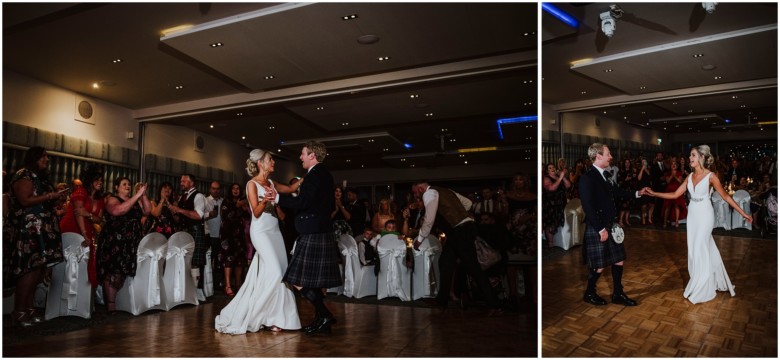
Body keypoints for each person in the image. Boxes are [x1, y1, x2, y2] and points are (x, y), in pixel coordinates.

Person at [646, 145, 752, 304]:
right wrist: (654, 193)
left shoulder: (711, 176)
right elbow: (675, 194)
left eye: (693, 155)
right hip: (693, 215)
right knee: (694, 249)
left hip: (705, 214)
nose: (690, 158)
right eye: (690, 155)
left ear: (702, 158)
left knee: (699, 248)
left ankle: (703, 287)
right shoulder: (688, 176)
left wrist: (743, 213)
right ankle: (701, 280)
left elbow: (725, 196)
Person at [215, 149, 301, 334]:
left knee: (277, 272)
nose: (274, 163)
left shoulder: (272, 182)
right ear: (261, 163)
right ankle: (257, 314)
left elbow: (292, 189)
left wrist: (306, 178)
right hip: (261, 231)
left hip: (275, 231)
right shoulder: (251, 184)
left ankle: (275, 317)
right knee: (276, 271)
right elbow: (255, 211)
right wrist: (267, 200)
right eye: (271, 160)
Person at [273, 141, 343, 335]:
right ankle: (322, 320)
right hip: (318, 231)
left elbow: (304, 201)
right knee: (308, 281)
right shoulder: (322, 174)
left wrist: (277, 198)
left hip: (314, 232)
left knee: (295, 278)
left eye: (303, 154)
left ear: (312, 155)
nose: (300, 157)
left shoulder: (315, 175)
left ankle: (324, 314)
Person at [411, 181, 502, 315]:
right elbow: (468, 204)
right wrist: (459, 215)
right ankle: (442, 301)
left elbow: (429, 219)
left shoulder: (429, 193)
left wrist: (419, 239)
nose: (415, 196)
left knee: (474, 267)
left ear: (420, 188)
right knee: (445, 263)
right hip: (462, 230)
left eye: (415, 192)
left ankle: (495, 304)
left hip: (460, 231)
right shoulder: (446, 191)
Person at [579, 143, 645, 307]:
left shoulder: (605, 175)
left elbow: (618, 191)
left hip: (611, 224)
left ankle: (617, 294)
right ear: (598, 156)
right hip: (598, 227)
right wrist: (601, 229)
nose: (611, 157)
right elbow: (588, 206)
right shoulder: (587, 178)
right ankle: (589, 293)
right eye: (608, 154)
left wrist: (637, 193)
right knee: (599, 265)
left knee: (619, 259)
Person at [8, 146, 66, 326]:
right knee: (29, 269)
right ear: (34, 158)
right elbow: (25, 200)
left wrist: (57, 199)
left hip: (44, 228)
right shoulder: (23, 175)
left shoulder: (40, 177)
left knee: (39, 269)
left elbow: (43, 199)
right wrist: (50, 196)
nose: (46, 160)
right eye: (43, 157)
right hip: (30, 229)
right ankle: (18, 311)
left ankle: (30, 309)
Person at [96, 177, 150, 313]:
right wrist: (137, 195)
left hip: (129, 244)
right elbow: (118, 211)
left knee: (123, 272)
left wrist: (143, 195)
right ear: (116, 187)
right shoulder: (112, 199)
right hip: (114, 242)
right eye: (124, 184)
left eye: (129, 184)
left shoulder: (134, 201)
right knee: (113, 272)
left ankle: (120, 302)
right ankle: (111, 305)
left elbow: (148, 211)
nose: (128, 186)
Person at [58, 165, 105, 287]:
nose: (100, 182)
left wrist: (88, 214)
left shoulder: (100, 199)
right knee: (68, 263)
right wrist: (84, 234)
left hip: (87, 230)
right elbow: (78, 213)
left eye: (101, 180)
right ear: (90, 180)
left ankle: (81, 298)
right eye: (97, 180)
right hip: (72, 228)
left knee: (84, 264)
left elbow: (99, 219)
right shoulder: (80, 192)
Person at [169, 174, 209, 301]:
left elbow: (198, 215)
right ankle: (185, 291)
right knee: (184, 262)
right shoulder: (182, 197)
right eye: (181, 181)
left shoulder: (198, 196)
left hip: (195, 231)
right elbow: (179, 218)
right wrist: (173, 210)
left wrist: (179, 210)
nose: (181, 183)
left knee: (195, 263)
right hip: (184, 232)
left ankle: (197, 292)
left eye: (184, 181)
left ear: (192, 183)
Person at [217, 183, 248, 297]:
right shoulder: (226, 201)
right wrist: (237, 206)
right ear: (230, 190)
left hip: (239, 234)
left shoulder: (243, 201)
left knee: (240, 260)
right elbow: (227, 216)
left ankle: (238, 285)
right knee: (228, 259)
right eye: (233, 188)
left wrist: (244, 208)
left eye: (238, 188)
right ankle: (228, 285)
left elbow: (247, 217)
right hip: (227, 234)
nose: (236, 190)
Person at [542, 162, 570, 248]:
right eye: (550, 168)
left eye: (553, 167)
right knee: (551, 224)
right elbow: (552, 188)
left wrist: (563, 177)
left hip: (559, 204)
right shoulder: (546, 178)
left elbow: (568, 185)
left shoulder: (558, 177)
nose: (553, 169)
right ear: (547, 171)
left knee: (556, 222)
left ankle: (553, 242)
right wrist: (560, 177)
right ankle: (550, 243)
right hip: (550, 204)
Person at [204, 181, 224, 292]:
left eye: (217, 188)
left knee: (219, 261)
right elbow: (199, 216)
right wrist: (209, 214)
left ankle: (217, 284)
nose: (215, 190)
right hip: (209, 235)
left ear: (220, 190)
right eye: (213, 188)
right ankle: (208, 286)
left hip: (221, 236)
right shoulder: (205, 201)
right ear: (210, 189)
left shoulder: (223, 201)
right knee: (208, 260)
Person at [662, 161, 686, 229]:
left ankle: (676, 222)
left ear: (677, 166)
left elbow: (680, 181)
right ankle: (665, 222)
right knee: (667, 206)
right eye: (672, 164)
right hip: (669, 191)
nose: (673, 165)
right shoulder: (667, 173)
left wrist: (674, 176)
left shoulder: (679, 173)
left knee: (677, 205)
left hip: (677, 191)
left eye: (675, 164)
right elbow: (668, 181)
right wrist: (671, 175)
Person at [636, 158, 653, 225]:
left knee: (651, 204)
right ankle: (643, 218)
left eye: (645, 162)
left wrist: (645, 169)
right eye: (642, 162)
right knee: (644, 205)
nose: (644, 163)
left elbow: (650, 177)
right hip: (642, 189)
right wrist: (642, 169)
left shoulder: (649, 170)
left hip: (649, 189)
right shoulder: (639, 170)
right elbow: (639, 178)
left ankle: (649, 218)